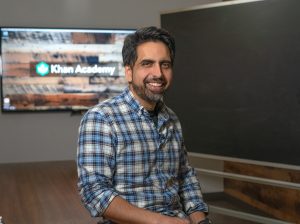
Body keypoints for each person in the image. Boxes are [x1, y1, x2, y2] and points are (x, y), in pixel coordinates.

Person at [77, 26, 211, 224]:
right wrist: (161, 221)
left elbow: (185, 178)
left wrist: (201, 221)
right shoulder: (101, 118)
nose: (158, 73)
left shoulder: (172, 119)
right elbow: (95, 193)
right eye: (147, 64)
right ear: (129, 72)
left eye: (165, 64)